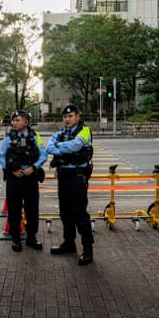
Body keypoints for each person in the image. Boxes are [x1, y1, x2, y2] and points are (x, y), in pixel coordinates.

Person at [47, 104, 94, 266]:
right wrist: (61, 148)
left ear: (77, 116)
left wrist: (58, 147)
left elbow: (76, 146)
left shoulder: (85, 131)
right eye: (65, 117)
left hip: (77, 176)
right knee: (65, 212)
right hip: (64, 176)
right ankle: (69, 244)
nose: (67, 119)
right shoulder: (61, 133)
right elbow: (48, 147)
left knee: (79, 213)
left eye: (70, 116)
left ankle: (88, 250)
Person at [0, 109, 47, 252]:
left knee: (32, 209)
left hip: (30, 177)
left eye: (18, 120)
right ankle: (16, 239)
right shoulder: (8, 138)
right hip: (14, 178)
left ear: (26, 121)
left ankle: (31, 238)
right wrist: (11, 170)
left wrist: (34, 167)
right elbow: (0, 157)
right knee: (14, 209)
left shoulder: (34, 136)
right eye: (13, 120)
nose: (14, 123)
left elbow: (43, 155)